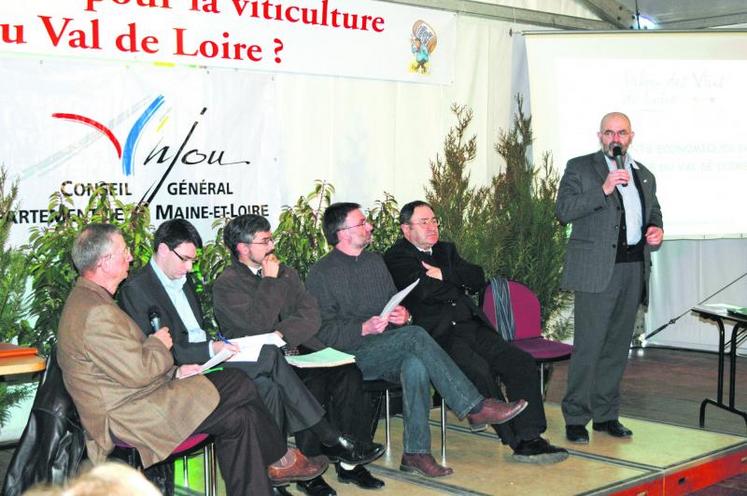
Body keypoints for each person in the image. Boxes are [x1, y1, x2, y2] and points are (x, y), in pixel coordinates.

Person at [118, 219, 381, 491]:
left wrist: (278, 335)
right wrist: (213, 347)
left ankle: (280, 471)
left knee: (313, 375)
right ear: (163, 249)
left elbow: (310, 314)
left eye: (191, 261)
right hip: (185, 370)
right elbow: (162, 349)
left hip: (234, 355)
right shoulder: (140, 290)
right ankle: (323, 443)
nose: (189, 268)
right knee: (269, 365)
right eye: (185, 259)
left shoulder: (184, 277)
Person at [56, 224, 287, 496]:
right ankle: (282, 458)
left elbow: (120, 365)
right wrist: (158, 344)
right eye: (124, 251)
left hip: (139, 398)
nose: (130, 257)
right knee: (238, 381)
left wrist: (176, 372)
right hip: (130, 418)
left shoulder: (89, 300)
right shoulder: (95, 312)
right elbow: (139, 371)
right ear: (105, 262)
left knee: (240, 418)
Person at [306, 202, 528, 478]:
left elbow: (393, 304)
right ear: (343, 233)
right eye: (362, 223)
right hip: (349, 354)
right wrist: (362, 328)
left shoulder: (375, 262)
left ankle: (415, 452)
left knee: (416, 364)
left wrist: (403, 315)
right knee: (415, 337)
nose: (370, 226)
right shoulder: (321, 273)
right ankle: (474, 406)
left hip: (386, 346)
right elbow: (322, 331)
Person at [384, 200, 568, 464]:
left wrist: (443, 273)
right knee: (479, 371)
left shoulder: (446, 250)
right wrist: (454, 281)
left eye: (434, 221)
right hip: (441, 335)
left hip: (472, 324)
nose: (432, 227)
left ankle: (531, 435)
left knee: (520, 362)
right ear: (406, 229)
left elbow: (477, 277)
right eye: (424, 222)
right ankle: (518, 443)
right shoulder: (397, 257)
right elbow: (423, 291)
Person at [213, 214, 385, 496]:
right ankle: (308, 472)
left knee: (349, 373)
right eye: (264, 241)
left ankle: (348, 459)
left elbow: (310, 314)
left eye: (271, 238)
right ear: (242, 248)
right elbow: (256, 326)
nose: (271, 245)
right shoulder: (228, 283)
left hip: (298, 347)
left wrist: (282, 336)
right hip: (259, 362)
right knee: (310, 385)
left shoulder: (286, 272)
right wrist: (269, 282)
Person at [556, 112, 663, 443]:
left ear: (631, 136)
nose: (615, 138)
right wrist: (603, 189)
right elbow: (564, 211)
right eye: (608, 133)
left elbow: (653, 211)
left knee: (618, 347)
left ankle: (605, 415)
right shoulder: (580, 167)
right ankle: (576, 417)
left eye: (621, 132)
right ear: (599, 136)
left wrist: (656, 229)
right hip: (597, 272)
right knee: (589, 346)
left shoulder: (643, 174)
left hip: (633, 269)